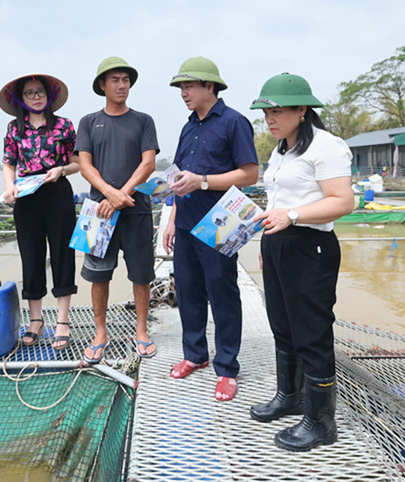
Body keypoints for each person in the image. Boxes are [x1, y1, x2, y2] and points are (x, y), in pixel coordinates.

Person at [248, 73, 354, 451]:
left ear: (302, 109)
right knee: (282, 325)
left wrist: (291, 216)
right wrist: (268, 239)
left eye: (277, 111)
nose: (270, 118)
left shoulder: (326, 146)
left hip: (311, 246)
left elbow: (343, 201)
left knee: (312, 334)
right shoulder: (282, 148)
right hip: (280, 244)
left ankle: (321, 422)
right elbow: (277, 200)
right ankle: (289, 397)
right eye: (266, 111)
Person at [162, 57, 259, 401]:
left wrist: (203, 182)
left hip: (220, 222)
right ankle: (195, 355)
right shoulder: (188, 127)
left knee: (223, 293)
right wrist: (171, 219)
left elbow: (249, 174)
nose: (183, 93)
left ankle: (227, 368)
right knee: (187, 292)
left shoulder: (234, 123)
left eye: (189, 86)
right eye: (180, 88)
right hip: (186, 222)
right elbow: (177, 177)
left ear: (210, 86)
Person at [76, 56, 159, 363]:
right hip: (98, 213)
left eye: (126, 80)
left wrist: (121, 196)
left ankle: (141, 330)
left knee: (141, 274)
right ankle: (100, 332)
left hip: (136, 209)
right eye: (115, 80)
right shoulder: (88, 122)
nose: (122, 85)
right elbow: (85, 165)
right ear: (102, 86)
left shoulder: (143, 120)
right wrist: (109, 195)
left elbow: (148, 163)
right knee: (99, 275)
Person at [0, 73, 80, 351]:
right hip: (26, 195)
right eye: (30, 92)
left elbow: (77, 161)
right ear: (21, 99)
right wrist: (9, 187)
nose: (36, 96)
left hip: (57, 191)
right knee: (31, 255)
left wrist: (61, 169)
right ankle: (35, 320)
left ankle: (62, 321)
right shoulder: (13, 129)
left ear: (48, 95)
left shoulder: (64, 126)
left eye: (40, 91)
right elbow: (9, 163)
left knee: (62, 253)